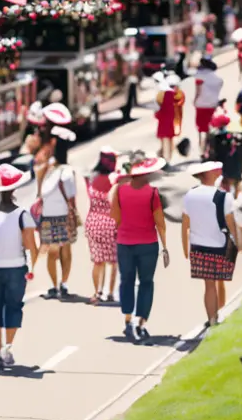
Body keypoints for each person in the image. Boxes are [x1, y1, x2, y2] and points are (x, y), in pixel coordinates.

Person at [110, 154, 169, 341]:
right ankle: (141, 322)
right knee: (146, 283)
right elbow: (160, 223)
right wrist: (165, 247)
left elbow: (115, 218)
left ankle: (128, 320)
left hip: (125, 243)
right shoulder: (153, 193)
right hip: (147, 245)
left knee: (126, 280)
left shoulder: (119, 190)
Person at [0, 164, 37, 367]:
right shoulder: (23, 214)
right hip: (16, 267)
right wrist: (32, 268)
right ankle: (7, 348)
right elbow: (31, 246)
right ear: (15, 190)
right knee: (13, 307)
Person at [181, 162, 239, 328]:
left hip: (198, 246)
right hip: (220, 244)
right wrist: (238, 242)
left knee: (209, 285)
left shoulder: (190, 195)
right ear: (210, 174)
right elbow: (231, 223)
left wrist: (185, 247)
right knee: (218, 281)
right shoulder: (224, 196)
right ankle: (218, 315)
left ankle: (213, 319)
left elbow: (185, 224)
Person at [32, 127, 78, 299]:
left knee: (59, 252)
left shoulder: (58, 170)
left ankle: (61, 284)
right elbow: (72, 197)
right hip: (55, 216)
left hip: (57, 216)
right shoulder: (53, 169)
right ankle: (58, 284)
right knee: (58, 251)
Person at [85, 148, 119, 304]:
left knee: (98, 261)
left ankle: (97, 292)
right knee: (113, 261)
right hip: (109, 223)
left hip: (92, 222)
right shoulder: (114, 180)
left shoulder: (92, 178)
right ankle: (110, 293)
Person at [193, 58, 223, 153]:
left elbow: (198, 91)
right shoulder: (218, 79)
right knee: (209, 126)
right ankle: (209, 147)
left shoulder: (200, 76)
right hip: (213, 104)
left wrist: (194, 101)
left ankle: (202, 149)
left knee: (200, 128)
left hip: (201, 105)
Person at [153, 72, 185, 163]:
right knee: (167, 141)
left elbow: (156, 108)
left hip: (167, 121)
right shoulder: (177, 95)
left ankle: (164, 159)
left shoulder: (162, 94)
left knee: (167, 141)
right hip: (169, 121)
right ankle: (164, 159)